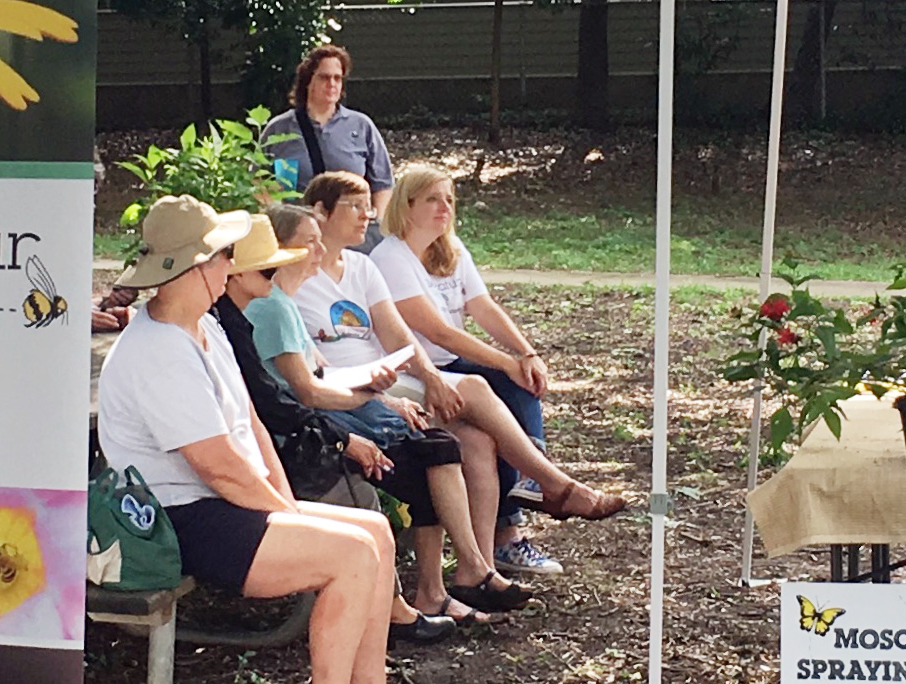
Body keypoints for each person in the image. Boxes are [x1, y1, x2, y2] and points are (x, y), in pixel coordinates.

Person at [96, 195, 442, 684]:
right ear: (198, 265)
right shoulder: (157, 350)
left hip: (219, 505)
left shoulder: (202, 324)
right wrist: (287, 516)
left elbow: (250, 427)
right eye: (225, 253)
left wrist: (286, 508)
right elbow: (217, 468)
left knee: (375, 530)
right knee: (350, 552)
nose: (232, 263)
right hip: (179, 521)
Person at [239, 205, 529, 625]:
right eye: (310, 241)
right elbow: (305, 391)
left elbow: (323, 372)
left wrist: (384, 398)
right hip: (310, 436)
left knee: (439, 448)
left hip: (329, 417)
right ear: (281, 251)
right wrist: (367, 402)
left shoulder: (281, 303)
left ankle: (451, 582)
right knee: (435, 454)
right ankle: (445, 585)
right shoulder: (273, 309)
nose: (321, 249)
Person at [373, 163, 627, 567]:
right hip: (412, 371)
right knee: (493, 393)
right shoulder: (390, 257)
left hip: (450, 364)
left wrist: (526, 355)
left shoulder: (450, 251)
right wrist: (506, 362)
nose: (444, 208)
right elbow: (438, 332)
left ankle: (529, 487)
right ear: (407, 205)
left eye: (450, 200)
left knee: (521, 383)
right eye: (433, 199)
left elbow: (483, 307)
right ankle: (536, 496)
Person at [262, 44, 396, 223]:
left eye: (337, 78)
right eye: (324, 77)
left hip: (352, 232)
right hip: (300, 233)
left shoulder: (361, 126)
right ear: (308, 81)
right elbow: (261, 185)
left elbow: (383, 185)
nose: (331, 84)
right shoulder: (279, 129)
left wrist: (376, 228)